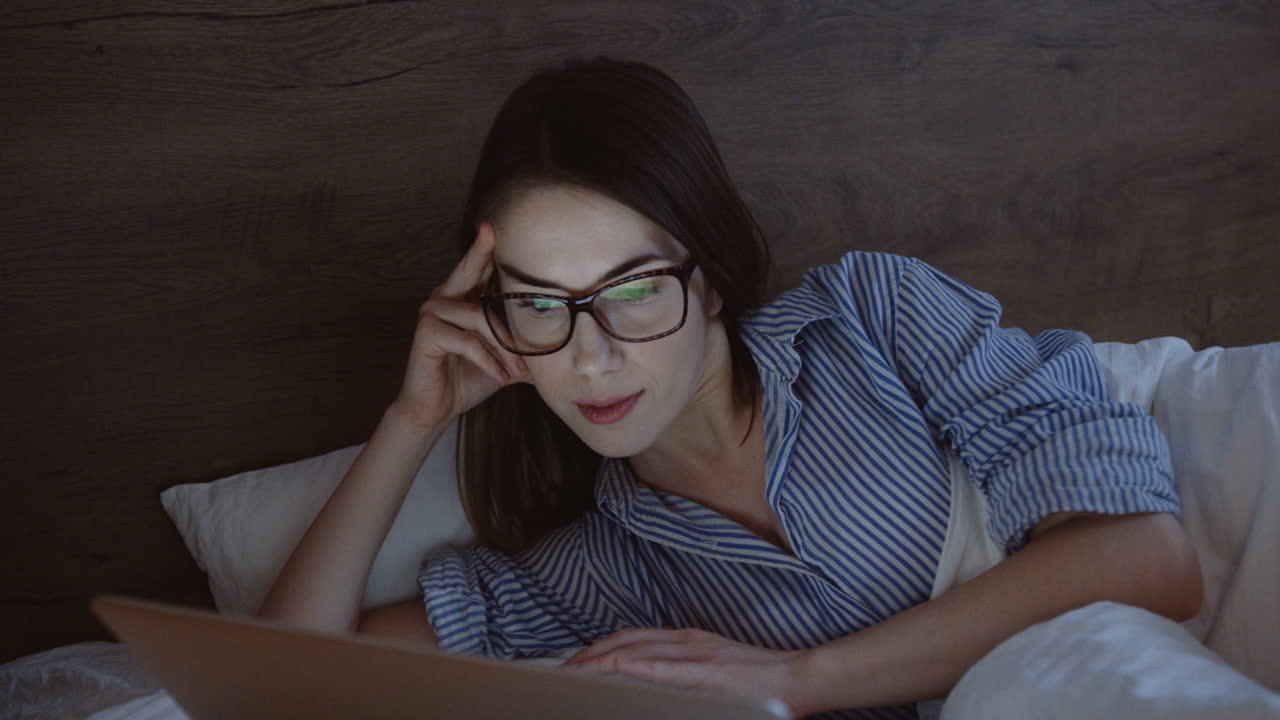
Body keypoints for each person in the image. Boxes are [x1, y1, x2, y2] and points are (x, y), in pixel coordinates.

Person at [257, 57, 1202, 719]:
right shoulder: (606, 570)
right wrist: (409, 422)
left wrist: (799, 678)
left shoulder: (871, 318)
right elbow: (287, 687)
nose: (591, 356)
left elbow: (1152, 561)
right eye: (541, 305)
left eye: (632, 291)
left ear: (706, 275)